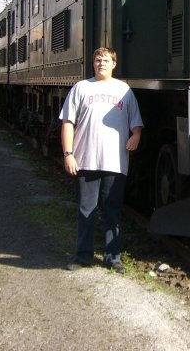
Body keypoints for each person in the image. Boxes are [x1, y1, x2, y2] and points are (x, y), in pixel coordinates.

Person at [59, 47, 143, 273]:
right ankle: (83, 256)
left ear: (114, 64)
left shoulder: (124, 90)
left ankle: (112, 257)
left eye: (106, 60)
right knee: (86, 209)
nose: (101, 63)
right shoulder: (81, 88)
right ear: (93, 63)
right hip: (85, 160)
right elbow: (68, 122)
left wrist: (136, 135)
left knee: (112, 210)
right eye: (98, 59)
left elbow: (136, 123)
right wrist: (68, 154)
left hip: (115, 162)